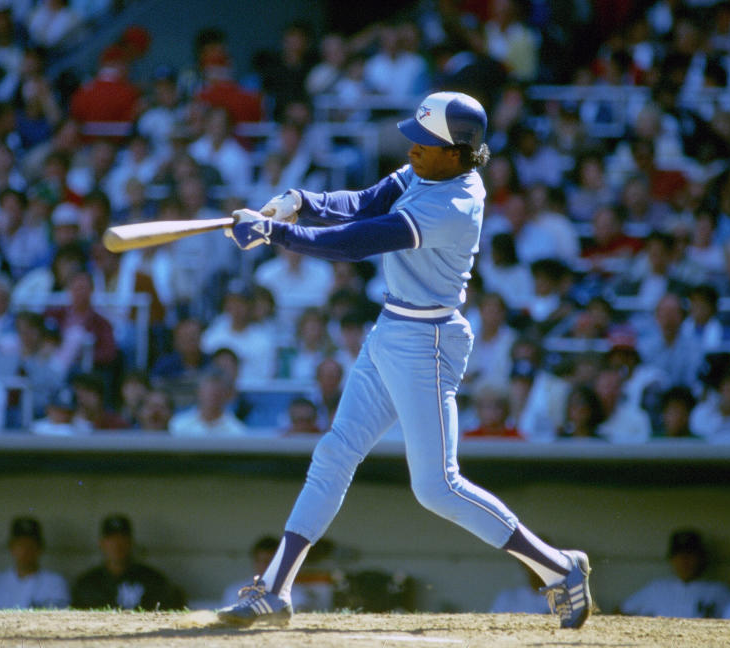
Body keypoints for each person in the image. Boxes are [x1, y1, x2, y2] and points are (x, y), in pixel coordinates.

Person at [218, 92, 592, 629]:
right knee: (334, 452)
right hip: (393, 326)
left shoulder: (454, 203)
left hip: (429, 340)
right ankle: (274, 589)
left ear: (458, 151)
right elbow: (364, 202)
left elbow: (357, 241)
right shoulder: (426, 171)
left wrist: (275, 233)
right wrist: (299, 199)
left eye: (426, 141)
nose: (413, 147)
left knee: (436, 486)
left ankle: (558, 568)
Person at [71, 514, 185, 611]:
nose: (117, 545)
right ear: (101, 543)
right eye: (112, 540)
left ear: (131, 543)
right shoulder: (87, 583)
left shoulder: (152, 579)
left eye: (122, 539)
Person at [620, 529, 730, 618]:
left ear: (701, 557)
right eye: (679, 555)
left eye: (690, 554)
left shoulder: (719, 591)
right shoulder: (657, 589)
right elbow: (620, 613)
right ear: (671, 559)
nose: (684, 561)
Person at [0, 517, 69, 609]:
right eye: (21, 545)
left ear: (40, 548)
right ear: (11, 548)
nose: (26, 551)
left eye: (31, 545)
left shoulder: (55, 583)